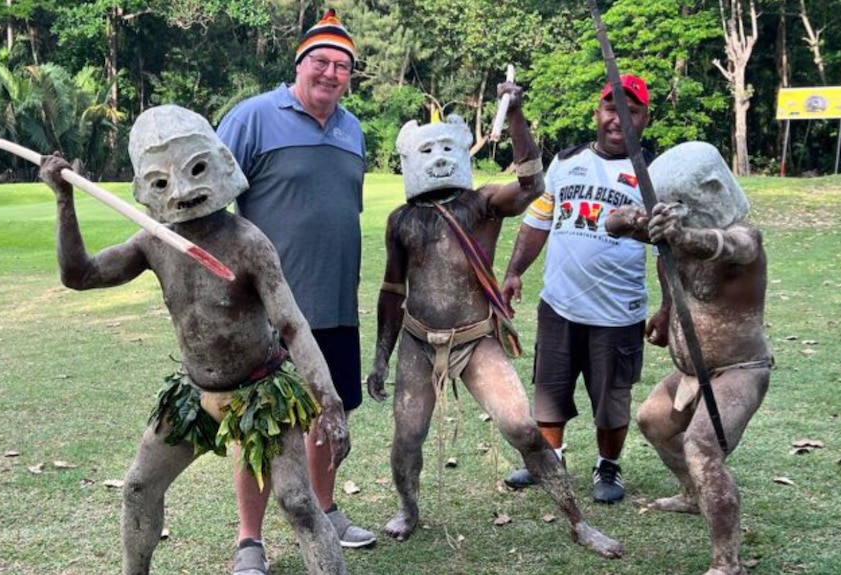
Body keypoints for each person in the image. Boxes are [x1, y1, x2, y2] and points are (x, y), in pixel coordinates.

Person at [38, 105, 350, 575]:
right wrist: (64, 200)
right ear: (145, 186)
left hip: (261, 393)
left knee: (298, 502)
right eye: (161, 183)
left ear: (220, 163)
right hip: (194, 394)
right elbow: (79, 275)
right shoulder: (153, 241)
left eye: (196, 170)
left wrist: (328, 400)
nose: (182, 192)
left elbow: (292, 326)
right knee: (139, 488)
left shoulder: (248, 241)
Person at [364, 82, 623, 559]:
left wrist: (518, 115)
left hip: (476, 340)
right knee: (408, 437)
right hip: (419, 343)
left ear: (461, 151)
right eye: (428, 149)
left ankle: (577, 522)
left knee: (524, 430)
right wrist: (381, 357)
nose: (438, 158)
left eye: (447, 148)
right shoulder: (402, 220)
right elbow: (391, 290)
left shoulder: (483, 203)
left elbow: (532, 185)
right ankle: (409, 506)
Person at [215, 9, 375, 572]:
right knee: (261, 423)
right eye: (322, 62)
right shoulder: (253, 117)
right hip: (269, 311)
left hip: (335, 305)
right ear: (299, 64)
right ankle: (249, 541)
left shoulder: (353, 128)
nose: (331, 73)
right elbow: (209, 199)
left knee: (330, 414)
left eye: (342, 66)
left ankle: (327, 510)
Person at [501, 74, 669, 504]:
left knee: (612, 400)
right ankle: (549, 459)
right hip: (559, 304)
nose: (619, 120)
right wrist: (515, 270)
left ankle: (608, 466)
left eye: (631, 111)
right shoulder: (565, 160)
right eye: (612, 109)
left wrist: (668, 307)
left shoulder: (654, 174)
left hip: (618, 313)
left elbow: (667, 251)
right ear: (598, 113)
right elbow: (539, 219)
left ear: (645, 118)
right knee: (550, 391)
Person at [606, 141, 772, 575]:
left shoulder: (741, 236)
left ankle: (726, 563)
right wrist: (634, 219)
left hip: (739, 370)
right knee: (653, 421)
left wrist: (678, 233)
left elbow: (727, 246)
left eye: (676, 205)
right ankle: (691, 493)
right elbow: (613, 223)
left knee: (701, 446)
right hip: (689, 369)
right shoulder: (673, 229)